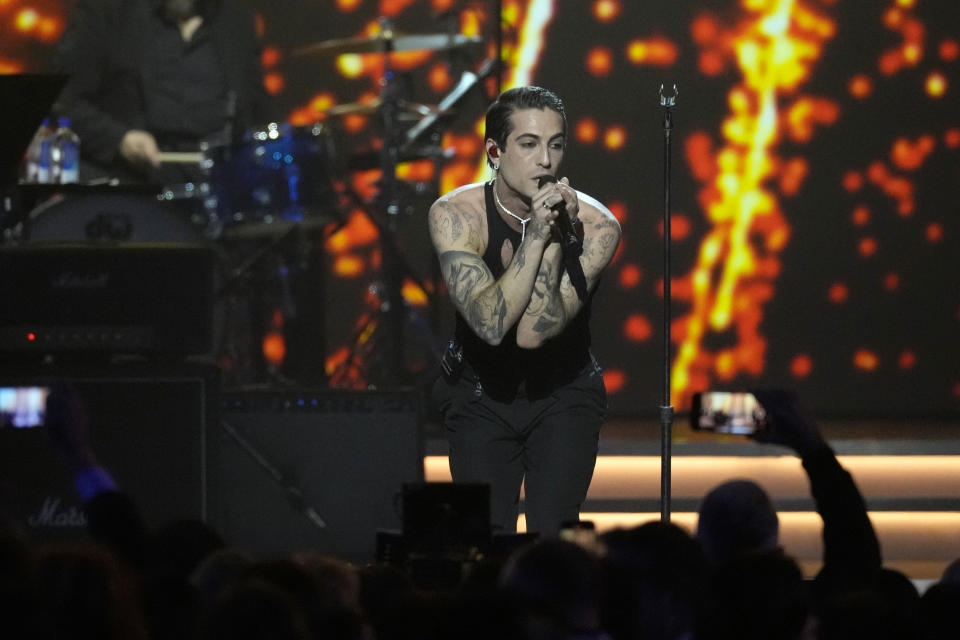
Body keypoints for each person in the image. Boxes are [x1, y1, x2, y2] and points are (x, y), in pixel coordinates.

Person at [428, 86, 622, 535]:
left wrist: (554, 237)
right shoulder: (456, 215)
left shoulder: (597, 228)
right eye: (529, 144)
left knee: (554, 541)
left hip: (562, 392)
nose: (546, 161)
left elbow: (532, 334)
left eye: (556, 145)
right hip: (480, 395)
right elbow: (489, 325)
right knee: (482, 539)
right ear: (494, 152)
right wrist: (536, 234)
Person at [55, 0, 275, 184]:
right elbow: (63, 101)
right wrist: (120, 139)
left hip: (219, 184)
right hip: (130, 184)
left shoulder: (235, 19)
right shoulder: (106, 12)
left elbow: (257, 108)